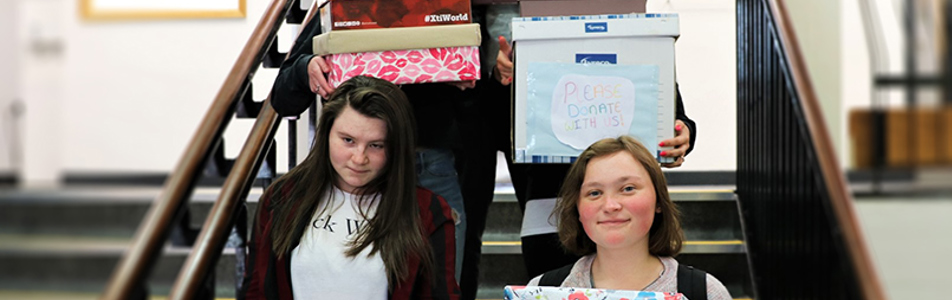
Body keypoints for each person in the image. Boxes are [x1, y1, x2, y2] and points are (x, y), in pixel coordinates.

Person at [457, 5, 697, 297]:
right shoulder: (527, 32)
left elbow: (666, 104)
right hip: (549, 206)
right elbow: (493, 131)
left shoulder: (629, 29)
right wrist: (500, 80)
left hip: (612, 207)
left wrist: (683, 132)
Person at [269, 14, 471, 282]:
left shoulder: (444, 9)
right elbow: (283, 99)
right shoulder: (346, 8)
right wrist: (306, 69)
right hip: (354, 179)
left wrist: (465, 71)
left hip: (425, 164)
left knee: (439, 282)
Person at [240, 76, 460, 299]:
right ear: (326, 133)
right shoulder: (282, 197)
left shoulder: (427, 211)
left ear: (395, 146)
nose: (359, 158)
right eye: (348, 140)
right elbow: (256, 291)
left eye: (376, 145)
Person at [525, 136, 729, 300]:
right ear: (577, 208)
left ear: (658, 200)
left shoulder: (704, 292)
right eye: (594, 193)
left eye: (628, 189)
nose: (610, 205)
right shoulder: (541, 292)